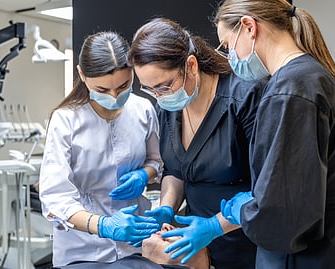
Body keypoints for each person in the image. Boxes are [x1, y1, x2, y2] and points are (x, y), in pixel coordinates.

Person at [212, 0, 335, 268]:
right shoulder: (312, 76)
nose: (230, 58)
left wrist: (244, 211)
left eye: (228, 46)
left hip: (325, 255)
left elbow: (284, 219)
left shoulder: (289, 91)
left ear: (249, 27)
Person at [128, 18, 267, 268]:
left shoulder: (244, 98)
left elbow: (268, 188)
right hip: (198, 246)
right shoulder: (170, 106)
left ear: (191, 65)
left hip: (247, 243)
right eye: (150, 90)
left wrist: (215, 226)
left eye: (164, 86)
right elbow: (176, 169)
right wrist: (167, 207)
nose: (159, 97)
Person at [38, 31, 164, 268]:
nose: (115, 96)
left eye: (124, 85)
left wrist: (143, 174)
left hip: (134, 243)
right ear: (82, 75)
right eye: (103, 90)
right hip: (81, 247)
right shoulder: (66, 120)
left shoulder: (143, 109)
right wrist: (104, 225)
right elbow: (56, 199)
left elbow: (157, 161)